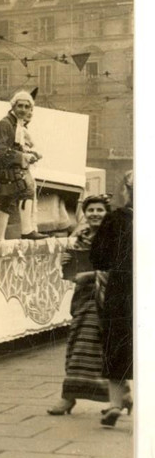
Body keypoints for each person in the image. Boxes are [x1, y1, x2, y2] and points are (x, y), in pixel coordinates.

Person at [47, 193, 113, 415]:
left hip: (105, 299)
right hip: (83, 297)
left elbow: (121, 271)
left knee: (89, 346)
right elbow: (75, 266)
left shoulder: (116, 237)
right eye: (91, 210)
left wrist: (90, 276)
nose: (95, 214)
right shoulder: (81, 235)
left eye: (99, 210)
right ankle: (120, 399)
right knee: (78, 342)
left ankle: (70, 397)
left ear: (107, 213)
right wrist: (66, 262)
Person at [93, 171, 133, 428]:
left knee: (117, 344)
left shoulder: (116, 219)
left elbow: (99, 257)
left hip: (122, 288)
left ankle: (117, 403)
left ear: (126, 192)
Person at [0, 91, 46, 240]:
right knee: (27, 190)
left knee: (8, 203)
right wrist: (24, 156)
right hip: (4, 169)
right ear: (13, 106)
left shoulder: (18, 125)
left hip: (11, 168)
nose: (23, 109)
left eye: (27, 107)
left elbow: (16, 146)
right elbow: (1, 151)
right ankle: (26, 231)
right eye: (20, 106)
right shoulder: (4, 124)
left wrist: (31, 153)